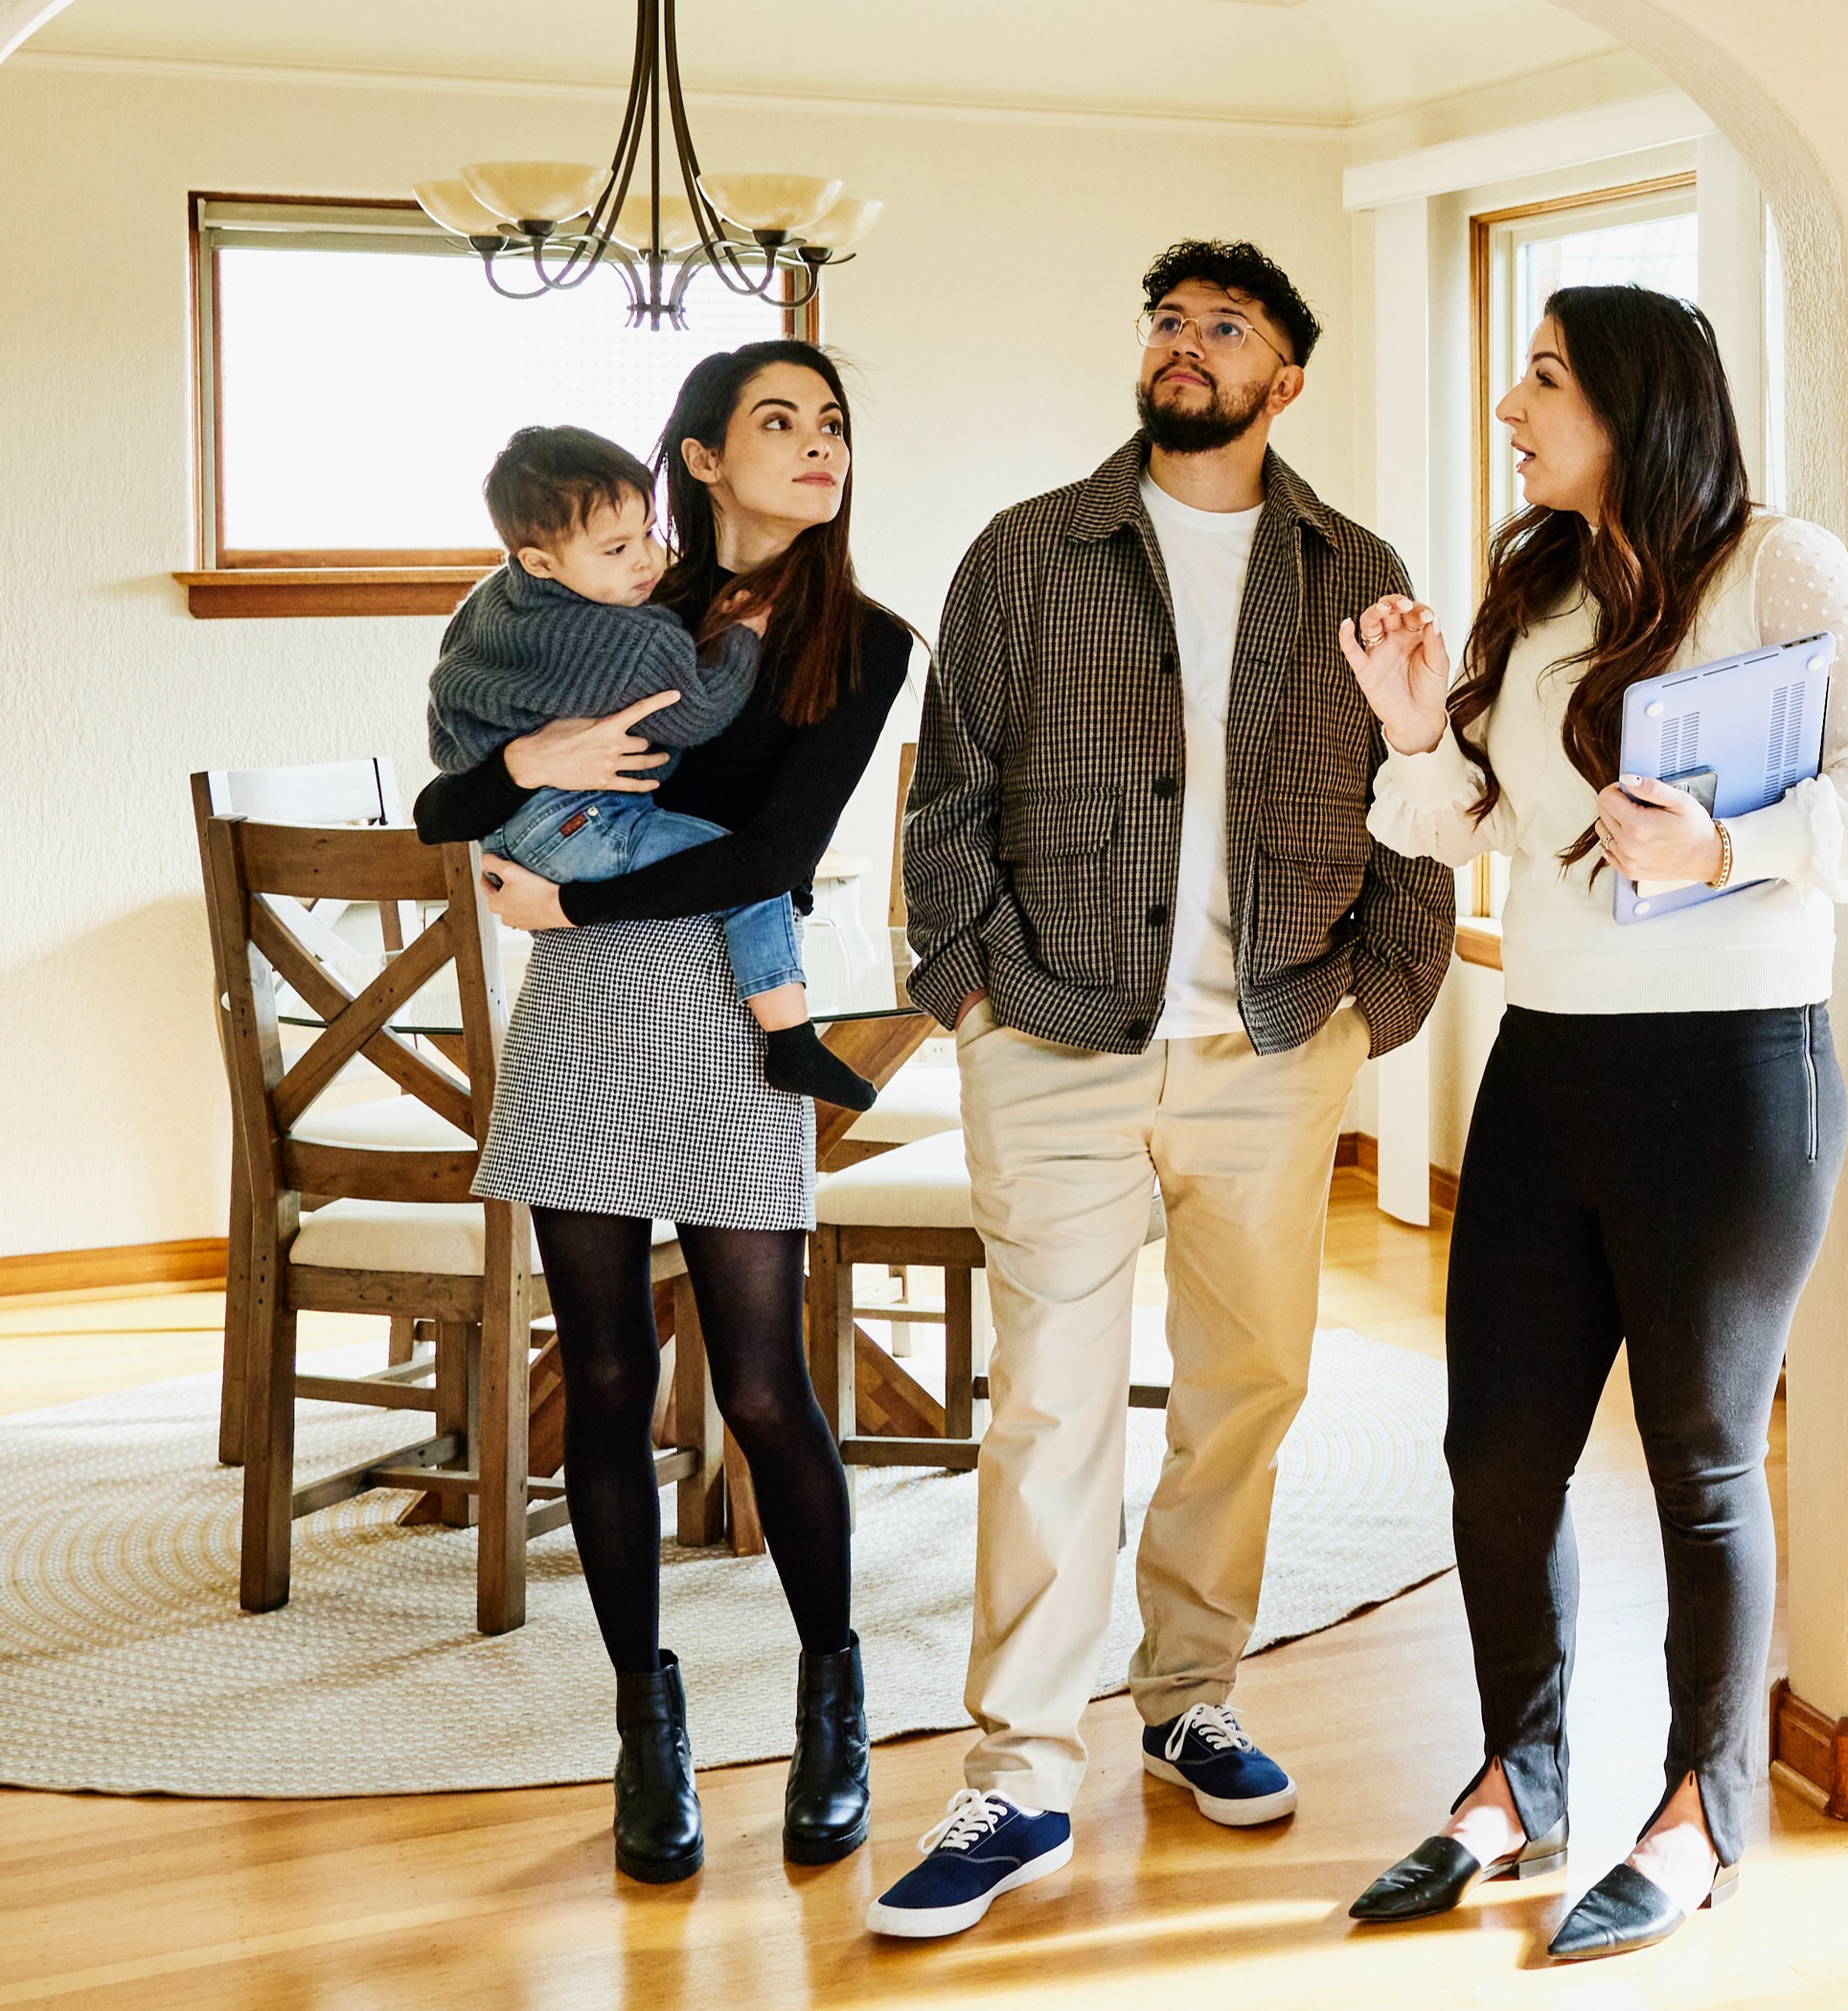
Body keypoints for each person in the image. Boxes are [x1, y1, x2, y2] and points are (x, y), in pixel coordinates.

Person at [1335, 284, 1848, 1960]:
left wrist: (1726, 848)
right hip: (1546, 1060)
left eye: (1542, 378)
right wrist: (1406, 717)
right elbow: (1475, 822)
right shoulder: (1529, 583)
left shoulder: (1781, 567)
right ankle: (1514, 1782)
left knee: (1699, 1455)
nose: (1511, 407)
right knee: (1498, 1448)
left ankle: (1699, 1812)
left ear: (1636, 400)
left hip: (1735, 1074)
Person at [872, 240, 1454, 1938]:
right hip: (1053, 1032)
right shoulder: (1027, 551)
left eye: (1224, 331)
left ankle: (1189, 1688)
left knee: (1245, 1388)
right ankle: (1018, 1774)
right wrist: (966, 988)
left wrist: (1382, 1000)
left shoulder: (1355, 568)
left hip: (1275, 1046)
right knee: (1048, 1404)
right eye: (1168, 322)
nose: (1182, 347)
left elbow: (1414, 776)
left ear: (1284, 381)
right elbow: (945, 787)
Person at [413, 341, 915, 1885]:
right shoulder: (617, 599)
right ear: (697, 457)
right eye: (780, 420)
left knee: (765, 1388)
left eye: (833, 421)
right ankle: (648, 1716)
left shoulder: (867, 639)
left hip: (722, 1016)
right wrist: (526, 760)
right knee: (611, 1381)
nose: (818, 444)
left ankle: (833, 1691)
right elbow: (442, 812)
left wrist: (559, 900)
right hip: (581, 1037)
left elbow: (774, 848)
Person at [424, 424, 875, 1110]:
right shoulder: (627, 633)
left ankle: (789, 1044)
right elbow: (696, 714)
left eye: (646, 534)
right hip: (582, 841)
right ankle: (791, 1041)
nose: (646, 560)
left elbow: (450, 764)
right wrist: (740, 643)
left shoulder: (494, 603)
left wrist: (556, 888)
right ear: (703, 458)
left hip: (529, 844)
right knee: (756, 885)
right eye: (617, 548)